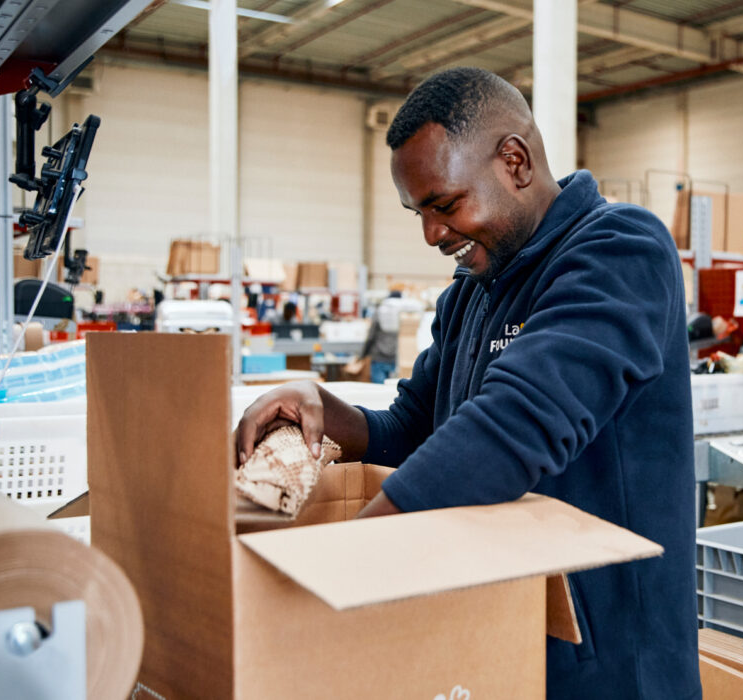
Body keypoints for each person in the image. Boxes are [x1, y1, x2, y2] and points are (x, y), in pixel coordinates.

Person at [235, 67, 700, 700]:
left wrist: (347, 558)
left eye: (446, 204)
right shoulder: (474, 294)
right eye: (418, 211)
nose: (431, 233)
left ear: (514, 161)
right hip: (500, 636)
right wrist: (324, 407)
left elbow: (517, 424)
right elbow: (417, 429)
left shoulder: (622, 251)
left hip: (611, 662)